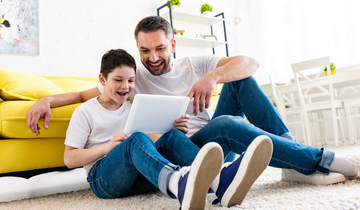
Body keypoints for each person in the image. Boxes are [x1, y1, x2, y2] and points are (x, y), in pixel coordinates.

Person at [27, 16, 359, 187]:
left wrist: (213, 77)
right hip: (182, 146)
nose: (152, 57)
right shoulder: (132, 80)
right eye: (145, 51)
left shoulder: (196, 64)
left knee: (239, 79)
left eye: (159, 48)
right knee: (228, 124)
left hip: (213, 141)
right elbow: (87, 94)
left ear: (173, 44)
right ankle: (320, 159)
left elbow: (250, 62)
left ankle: (293, 154)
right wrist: (47, 99)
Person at [64, 49, 274, 209]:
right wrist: (106, 148)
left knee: (170, 135)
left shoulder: (133, 107)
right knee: (135, 138)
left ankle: (220, 180)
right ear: (102, 79)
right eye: (118, 80)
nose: (125, 87)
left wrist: (173, 131)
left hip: (138, 178)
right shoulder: (85, 112)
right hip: (103, 180)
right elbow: (69, 158)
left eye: (130, 81)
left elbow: (152, 141)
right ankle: (177, 183)